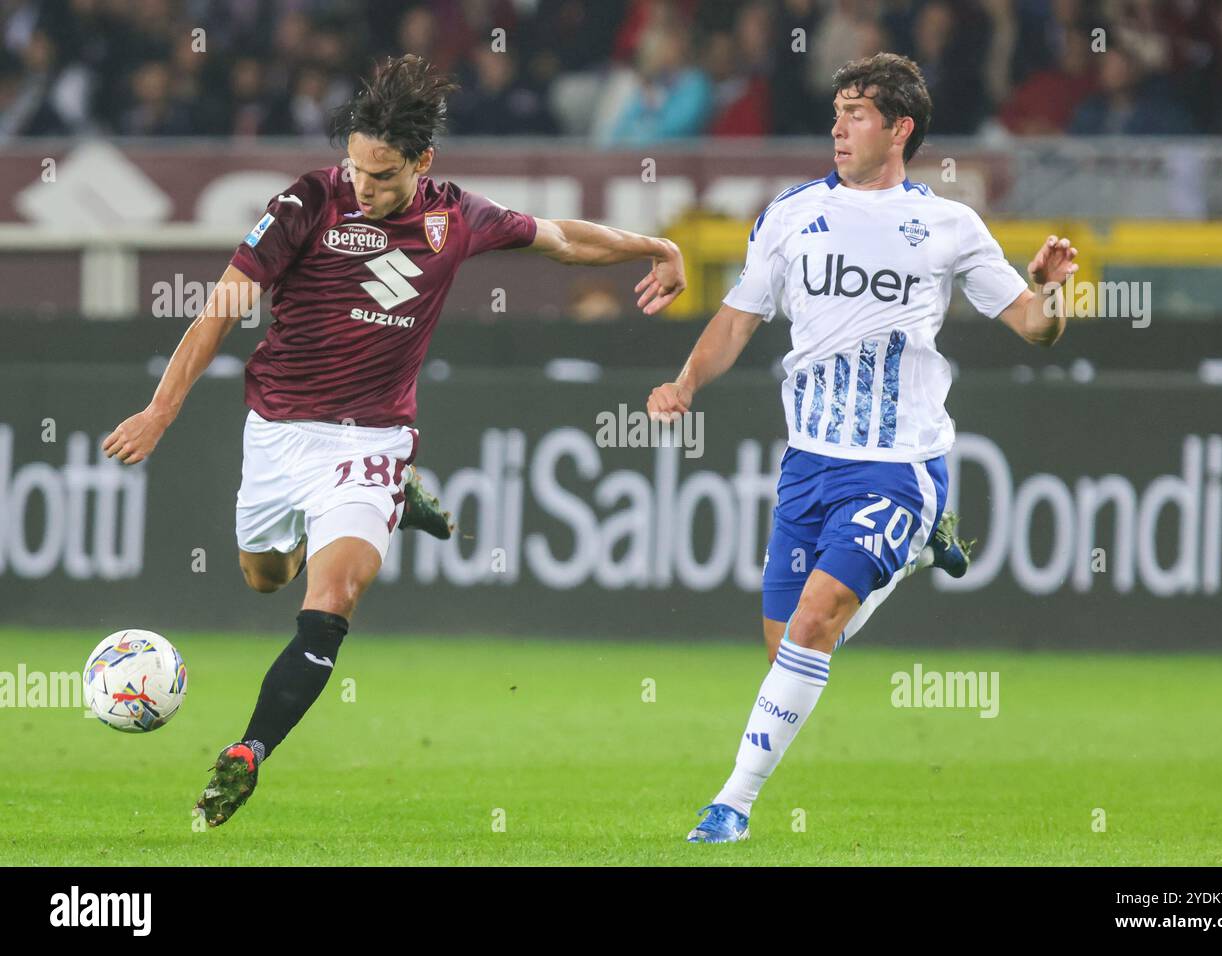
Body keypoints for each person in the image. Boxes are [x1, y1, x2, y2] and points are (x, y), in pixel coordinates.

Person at [101, 54, 686, 827]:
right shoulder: (307, 202)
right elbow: (220, 308)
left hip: (371, 439)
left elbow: (563, 240)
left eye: (382, 175)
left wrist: (655, 247)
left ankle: (248, 753)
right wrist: (160, 409)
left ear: (423, 162)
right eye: (357, 168)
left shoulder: (458, 216)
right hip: (279, 433)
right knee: (264, 576)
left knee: (330, 599)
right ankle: (399, 503)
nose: (365, 187)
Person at [646, 52, 1076, 843]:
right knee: (785, 647)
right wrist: (684, 382)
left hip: (898, 465)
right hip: (807, 463)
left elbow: (1035, 329)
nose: (838, 127)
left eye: (858, 113)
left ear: (900, 128)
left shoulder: (949, 225)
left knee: (813, 624)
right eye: (837, 111)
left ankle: (730, 807)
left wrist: (1048, 288)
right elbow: (739, 317)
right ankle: (917, 553)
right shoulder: (789, 213)